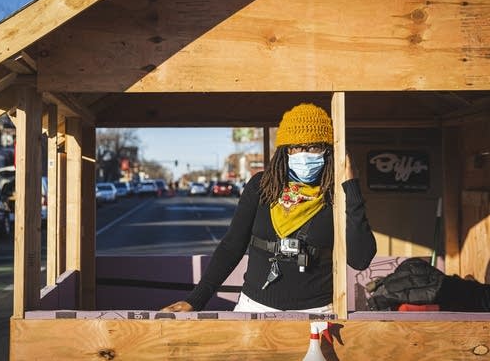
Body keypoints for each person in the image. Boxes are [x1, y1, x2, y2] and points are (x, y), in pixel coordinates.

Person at [161, 103, 377, 313]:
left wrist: (352, 187)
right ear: (285, 151)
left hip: (316, 312)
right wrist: (196, 299)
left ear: (328, 151)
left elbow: (360, 260)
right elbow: (231, 247)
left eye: (314, 147)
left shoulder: (336, 194)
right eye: (296, 147)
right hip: (253, 306)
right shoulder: (261, 186)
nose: (304, 154)